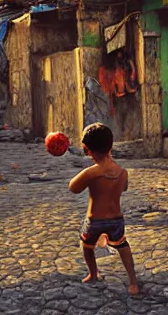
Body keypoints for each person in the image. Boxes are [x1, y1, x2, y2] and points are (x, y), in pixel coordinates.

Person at [68, 123, 139, 295]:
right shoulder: (122, 172)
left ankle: (93, 273)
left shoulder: (91, 172)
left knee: (87, 245)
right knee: (123, 246)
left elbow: (73, 187)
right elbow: (124, 188)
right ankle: (133, 282)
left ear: (88, 150)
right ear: (110, 146)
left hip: (95, 220)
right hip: (116, 219)